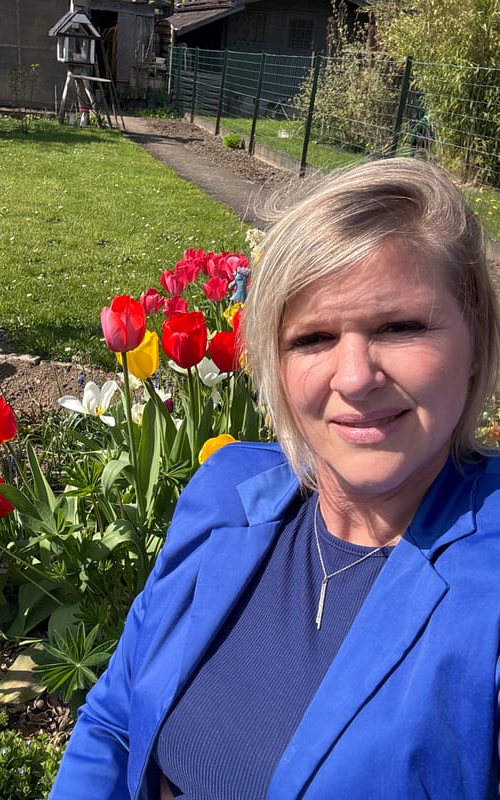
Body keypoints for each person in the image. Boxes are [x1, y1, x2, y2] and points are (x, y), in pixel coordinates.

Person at [49, 157, 500, 799]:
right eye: (312, 338)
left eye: (400, 327)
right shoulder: (227, 491)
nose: (354, 377)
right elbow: (114, 723)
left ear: (477, 338)